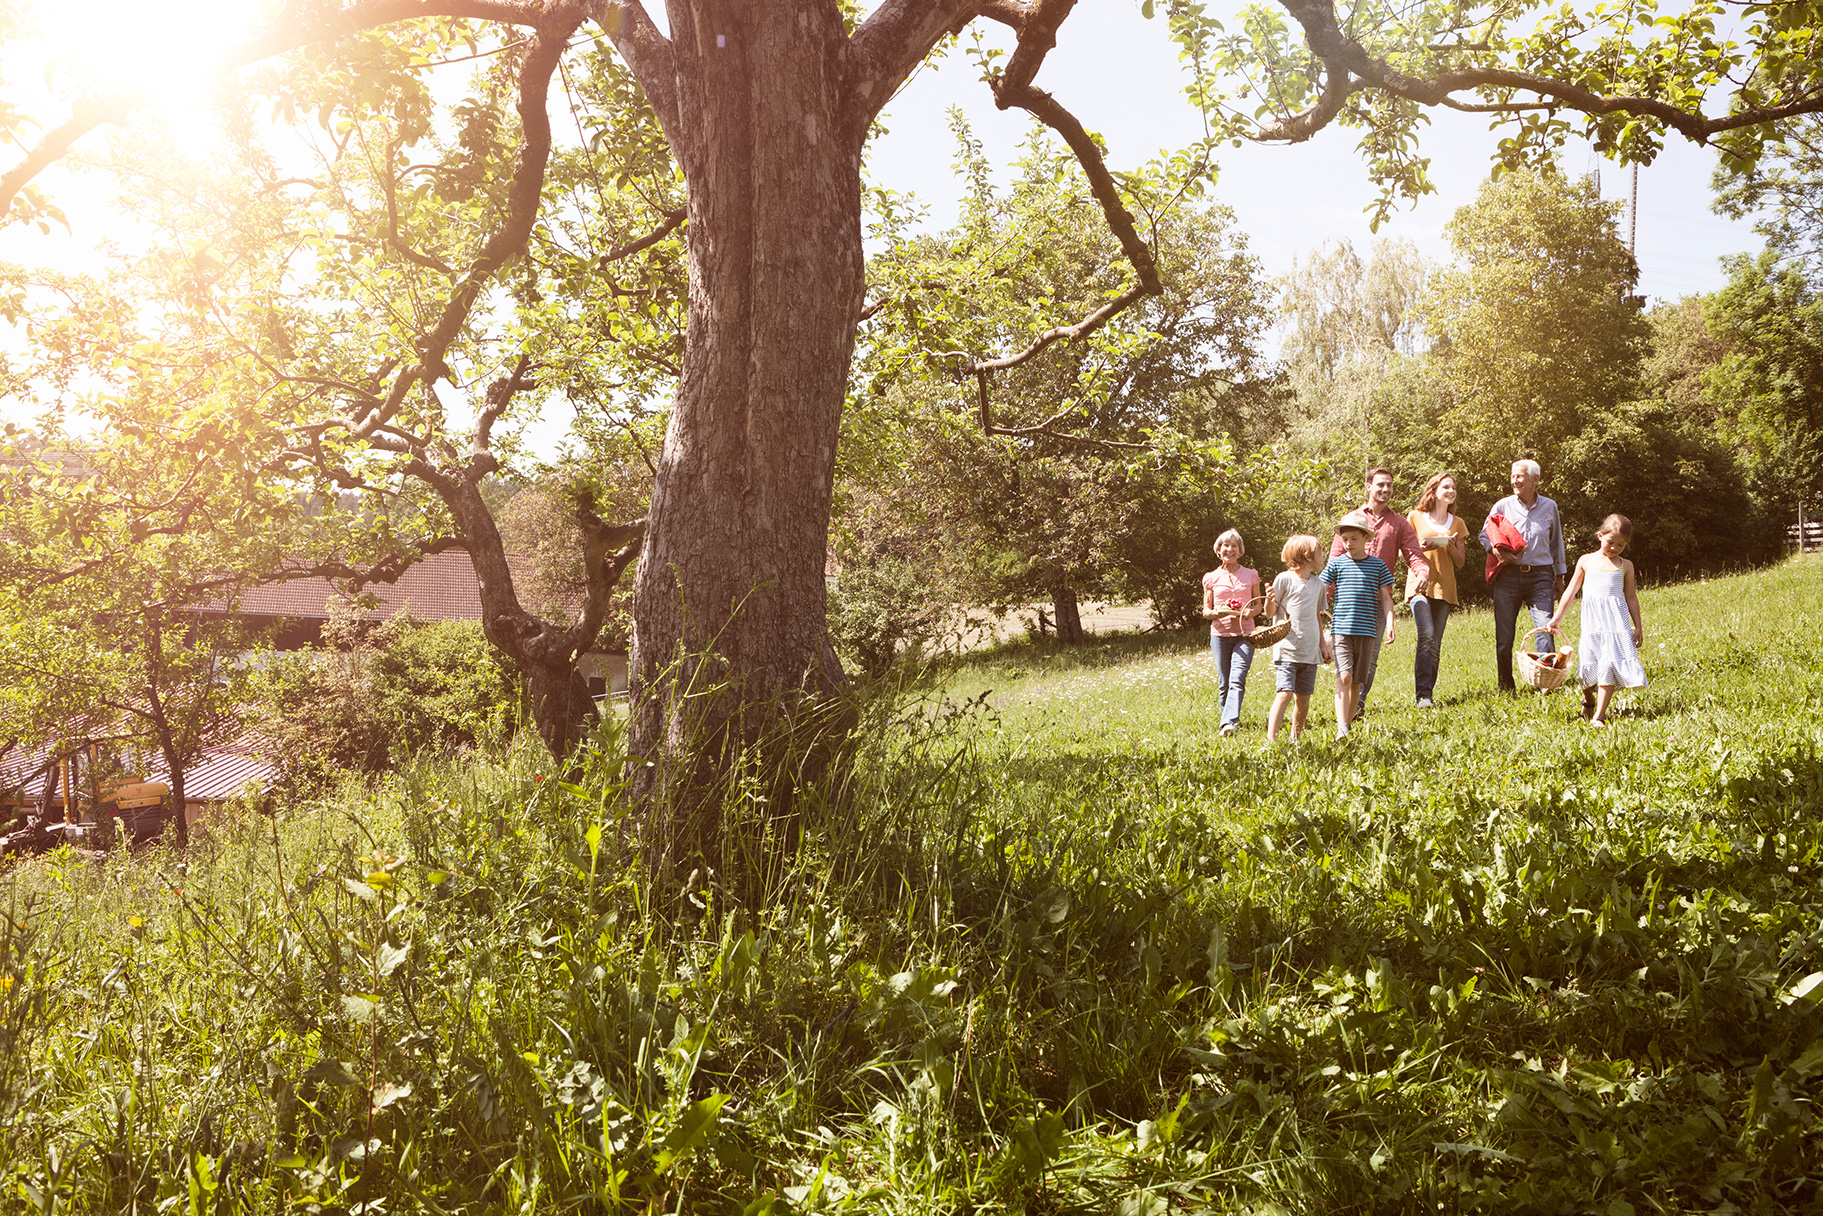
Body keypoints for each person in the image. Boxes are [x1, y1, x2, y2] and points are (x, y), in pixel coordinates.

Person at [1327, 467, 1429, 715]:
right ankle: (1345, 707)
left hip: (1376, 602)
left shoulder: (1399, 523)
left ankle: (1357, 705)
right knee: (1345, 656)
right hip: (1348, 602)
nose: (1385, 489)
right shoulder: (1351, 519)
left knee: (1370, 657)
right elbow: (1334, 561)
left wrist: (1423, 572)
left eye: (1390, 485)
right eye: (1380, 484)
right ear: (1369, 486)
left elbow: (1414, 554)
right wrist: (1321, 598)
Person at [1545, 513, 1647, 726]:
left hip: (1616, 626)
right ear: (1600, 535)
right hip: (1592, 625)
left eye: (1621, 545)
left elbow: (1631, 597)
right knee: (1587, 668)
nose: (1614, 548)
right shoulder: (1587, 561)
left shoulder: (1625, 565)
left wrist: (1638, 626)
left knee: (1608, 664)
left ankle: (1599, 716)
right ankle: (1588, 700)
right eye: (1610, 542)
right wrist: (1557, 619)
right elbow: (1571, 591)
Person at [1479, 459, 1567, 694]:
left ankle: (1545, 685)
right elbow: (1484, 534)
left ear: (1535, 480)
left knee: (1545, 630)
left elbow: (1556, 541)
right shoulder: (1502, 506)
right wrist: (1493, 549)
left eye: (1520, 476)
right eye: (1513, 476)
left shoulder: (1550, 506)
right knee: (1504, 635)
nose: (1514, 480)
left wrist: (1559, 576)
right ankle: (1506, 687)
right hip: (1507, 577)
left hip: (1540, 577)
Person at [1321, 512, 1395, 739]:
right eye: (1345, 539)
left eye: (1354, 538)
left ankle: (1348, 724)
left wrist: (1390, 622)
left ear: (1366, 538)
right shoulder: (1337, 564)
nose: (1349, 543)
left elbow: (1385, 597)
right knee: (1344, 676)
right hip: (1342, 630)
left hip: (1367, 630)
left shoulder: (1378, 565)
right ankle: (1341, 727)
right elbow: (1320, 591)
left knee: (1356, 681)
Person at [1405, 472, 1469, 707]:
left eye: (1453, 488)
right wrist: (1422, 548)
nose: (1451, 491)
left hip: (1445, 586)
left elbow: (1460, 561)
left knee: (1435, 643)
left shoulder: (1458, 523)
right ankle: (1422, 694)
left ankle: (1427, 695)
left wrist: (1450, 546)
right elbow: (1406, 552)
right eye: (1446, 487)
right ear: (1434, 490)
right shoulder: (1415, 517)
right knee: (1426, 635)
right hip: (1419, 585)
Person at [1264, 534, 1332, 743]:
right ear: (1307, 555)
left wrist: (1323, 646)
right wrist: (1268, 601)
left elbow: (1317, 618)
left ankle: (1295, 738)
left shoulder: (1319, 585)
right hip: (1287, 649)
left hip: (1309, 651)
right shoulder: (1284, 579)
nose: (1324, 557)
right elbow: (1270, 613)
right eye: (1320, 553)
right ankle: (1272, 740)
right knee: (1284, 693)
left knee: (1303, 699)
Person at [1202, 529, 1261, 737]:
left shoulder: (1251, 574)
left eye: (1234, 546)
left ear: (1240, 550)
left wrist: (1247, 614)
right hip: (1219, 635)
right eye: (1226, 546)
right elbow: (1206, 611)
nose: (1230, 549)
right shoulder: (1211, 578)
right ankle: (1227, 722)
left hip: (1246, 634)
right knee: (1224, 682)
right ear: (1219, 550)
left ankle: (1228, 722)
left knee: (1237, 678)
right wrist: (1218, 612)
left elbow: (1258, 607)